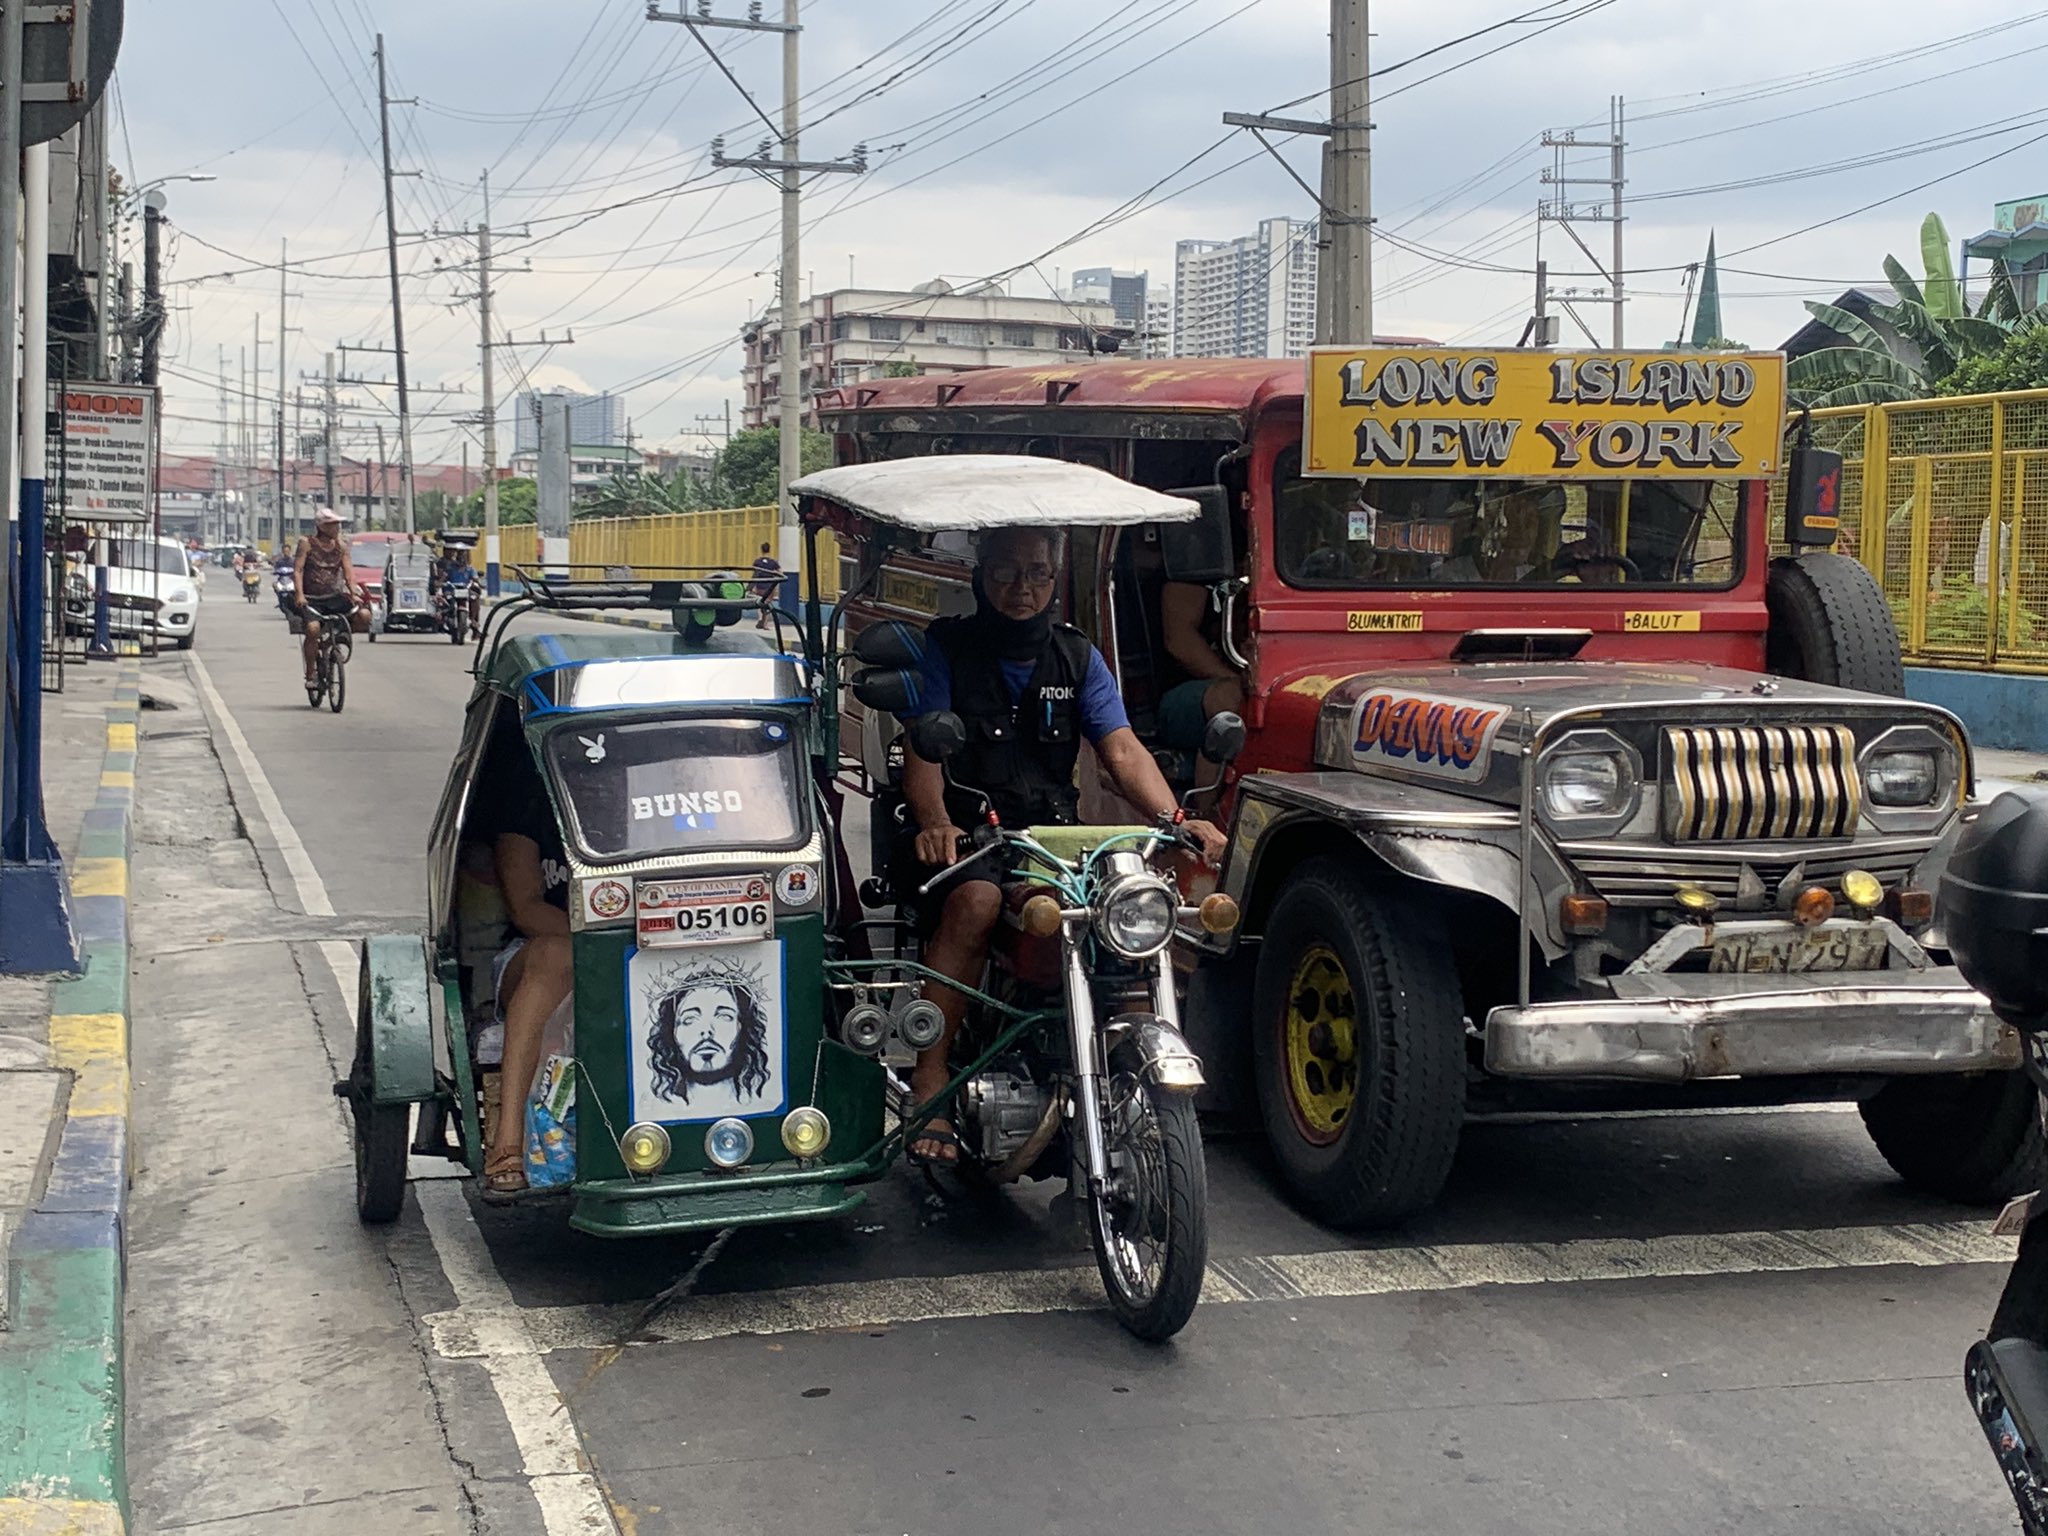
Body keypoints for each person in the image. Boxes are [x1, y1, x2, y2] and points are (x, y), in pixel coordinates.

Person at [900, 524, 1226, 1165]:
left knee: (1131, 902)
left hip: (1053, 835)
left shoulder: (1078, 656)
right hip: (973, 835)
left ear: (1053, 580)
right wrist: (935, 820)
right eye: (1005, 572)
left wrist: (1176, 819)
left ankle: (1118, 1057)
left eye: (1037, 573)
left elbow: (1121, 749)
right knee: (976, 904)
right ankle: (931, 1075)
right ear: (981, 574)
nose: (1021, 588)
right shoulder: (947, 647)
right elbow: (923, 746)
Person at [480, 750, 573, 1195]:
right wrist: (604, 941)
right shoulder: (531, 797)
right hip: (535, 954)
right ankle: (508, 1143)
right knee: (557, 954)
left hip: (637, 945)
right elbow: (526, 909)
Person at [293, 509, 364, 687]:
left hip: (334, 597)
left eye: (337, 524)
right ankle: (311, 674)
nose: (337, 528)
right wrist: (299, 594)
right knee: (313, 629)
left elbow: (348, 572)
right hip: (311, 598)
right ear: (321, 527)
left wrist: (354, 593)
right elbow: (298, 570)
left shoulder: (341, 546)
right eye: (332, 525)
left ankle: (327, 644)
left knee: (364, 616)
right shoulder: (306, 543)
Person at [751, 542, 782, 630]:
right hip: (769, 587)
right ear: (769, 550)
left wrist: (753, 586)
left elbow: (755, 574)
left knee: (759, 602)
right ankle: (765, 624)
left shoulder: (757, 562)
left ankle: (760, 617)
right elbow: (781, 572)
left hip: (759, 585)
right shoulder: (773, 562)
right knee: (768, 604)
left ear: (761, 550)